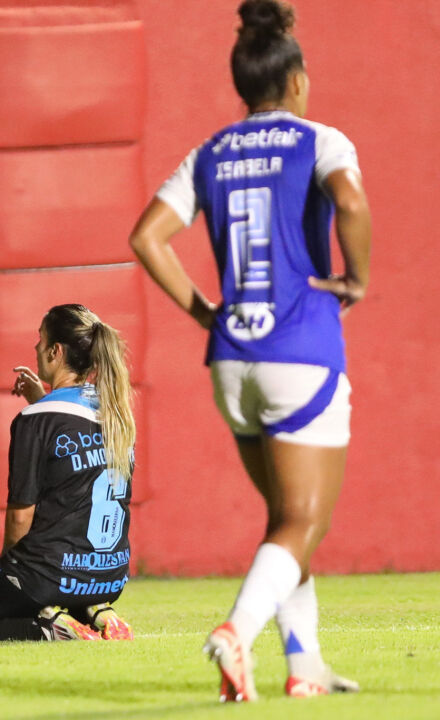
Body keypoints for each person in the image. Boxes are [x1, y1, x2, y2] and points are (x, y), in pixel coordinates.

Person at [129, 0, 370, 701]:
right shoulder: (321, 139)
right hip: (301, 348)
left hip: (232, 356)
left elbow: (147, 237)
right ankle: (235, 633)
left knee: (285, 520)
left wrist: (206, 309)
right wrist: (357, 276)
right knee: (305, 519)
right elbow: (350, 204)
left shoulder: (211, 151)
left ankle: (306, 667)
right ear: (295, 79)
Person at [0, 305, 136, 643]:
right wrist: (42, 398)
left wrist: (6, 575)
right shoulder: (115, 411)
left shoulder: (35, 419)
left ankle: (49, 627)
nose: (36, 348)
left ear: (56, 351)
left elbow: (20, 516)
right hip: (109, 575)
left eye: (39, 341)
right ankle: (95, 609)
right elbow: (74, 462)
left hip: (50, 573)